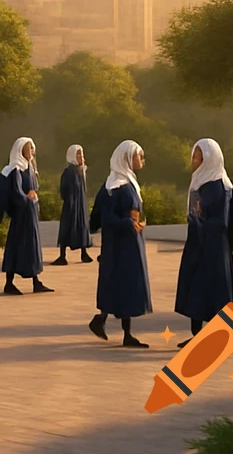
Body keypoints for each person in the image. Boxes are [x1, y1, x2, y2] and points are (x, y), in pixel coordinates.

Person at [174, 138, 233, 348]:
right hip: (200, 244)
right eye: (194, 156)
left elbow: (220, 221)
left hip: (213, 247)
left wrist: (199, 223)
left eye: (199, 156)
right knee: (198, 288)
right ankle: (198, 334)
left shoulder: (218, 186)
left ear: (210, 159)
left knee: (216, 289)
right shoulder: (202, 182)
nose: (195, 161)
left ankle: (231, 334)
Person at [89, 140, 152, 348]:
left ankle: (109, 323)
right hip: (120, 244)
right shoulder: (114, 187)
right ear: (126, 157)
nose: (142, 159)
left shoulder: (126, 182)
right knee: (122, 283)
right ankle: (119, 329)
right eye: (138, 156)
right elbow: (106, 220)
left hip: (130, 241)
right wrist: (128, 223)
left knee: (123, 284)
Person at [0, 137, 52, 294]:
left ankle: (36, 281)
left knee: (32, 247)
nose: (31, 151)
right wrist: (28, 199)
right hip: (21, 216)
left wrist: (32, 199)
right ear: (20, 150)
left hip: (30, 214)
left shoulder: (29, 168)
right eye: (28, 148)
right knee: (16, 247)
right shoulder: (15, 170)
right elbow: (17, 194)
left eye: (32, 148)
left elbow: (33, 189)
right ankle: (9, 283)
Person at [53, 145, 93, 265]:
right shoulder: (68, 172)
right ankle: (62, 256)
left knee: (82, 227)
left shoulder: (81, 170)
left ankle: (84, 253)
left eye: (81, 154)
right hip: (71, 205)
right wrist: (70, 201)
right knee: (67, 228)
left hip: (80, 204)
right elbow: (64, 189)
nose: (81, 157)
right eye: (78, 154)